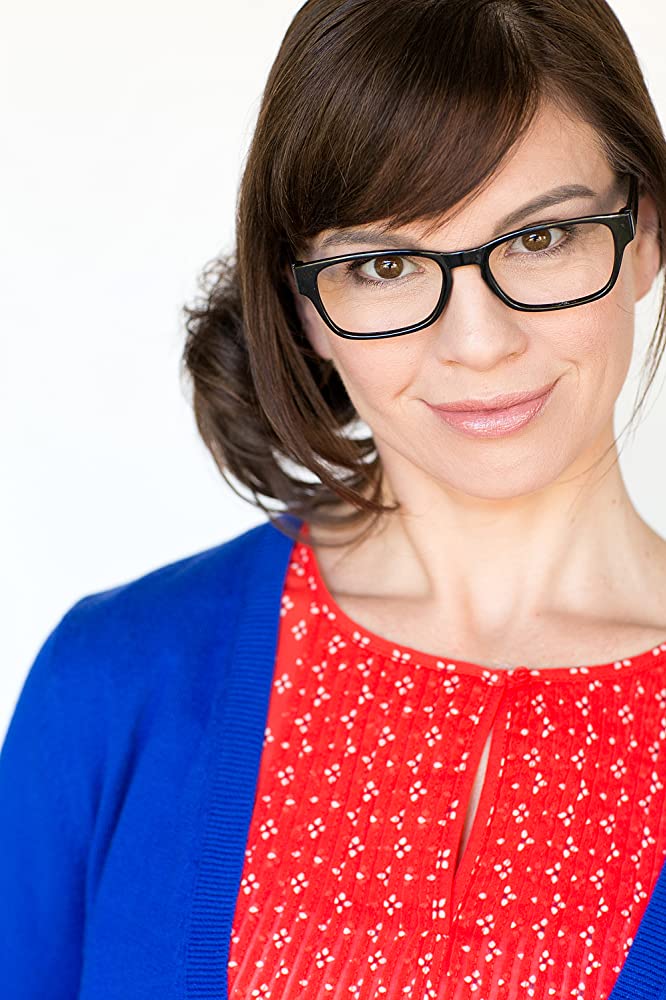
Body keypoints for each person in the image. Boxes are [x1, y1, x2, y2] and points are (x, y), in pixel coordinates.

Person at [2, 0, 666, 997]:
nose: (479, 342)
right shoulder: (115, 682)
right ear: (306, 304)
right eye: (385, 265)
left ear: (645, 231)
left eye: (541, 239)